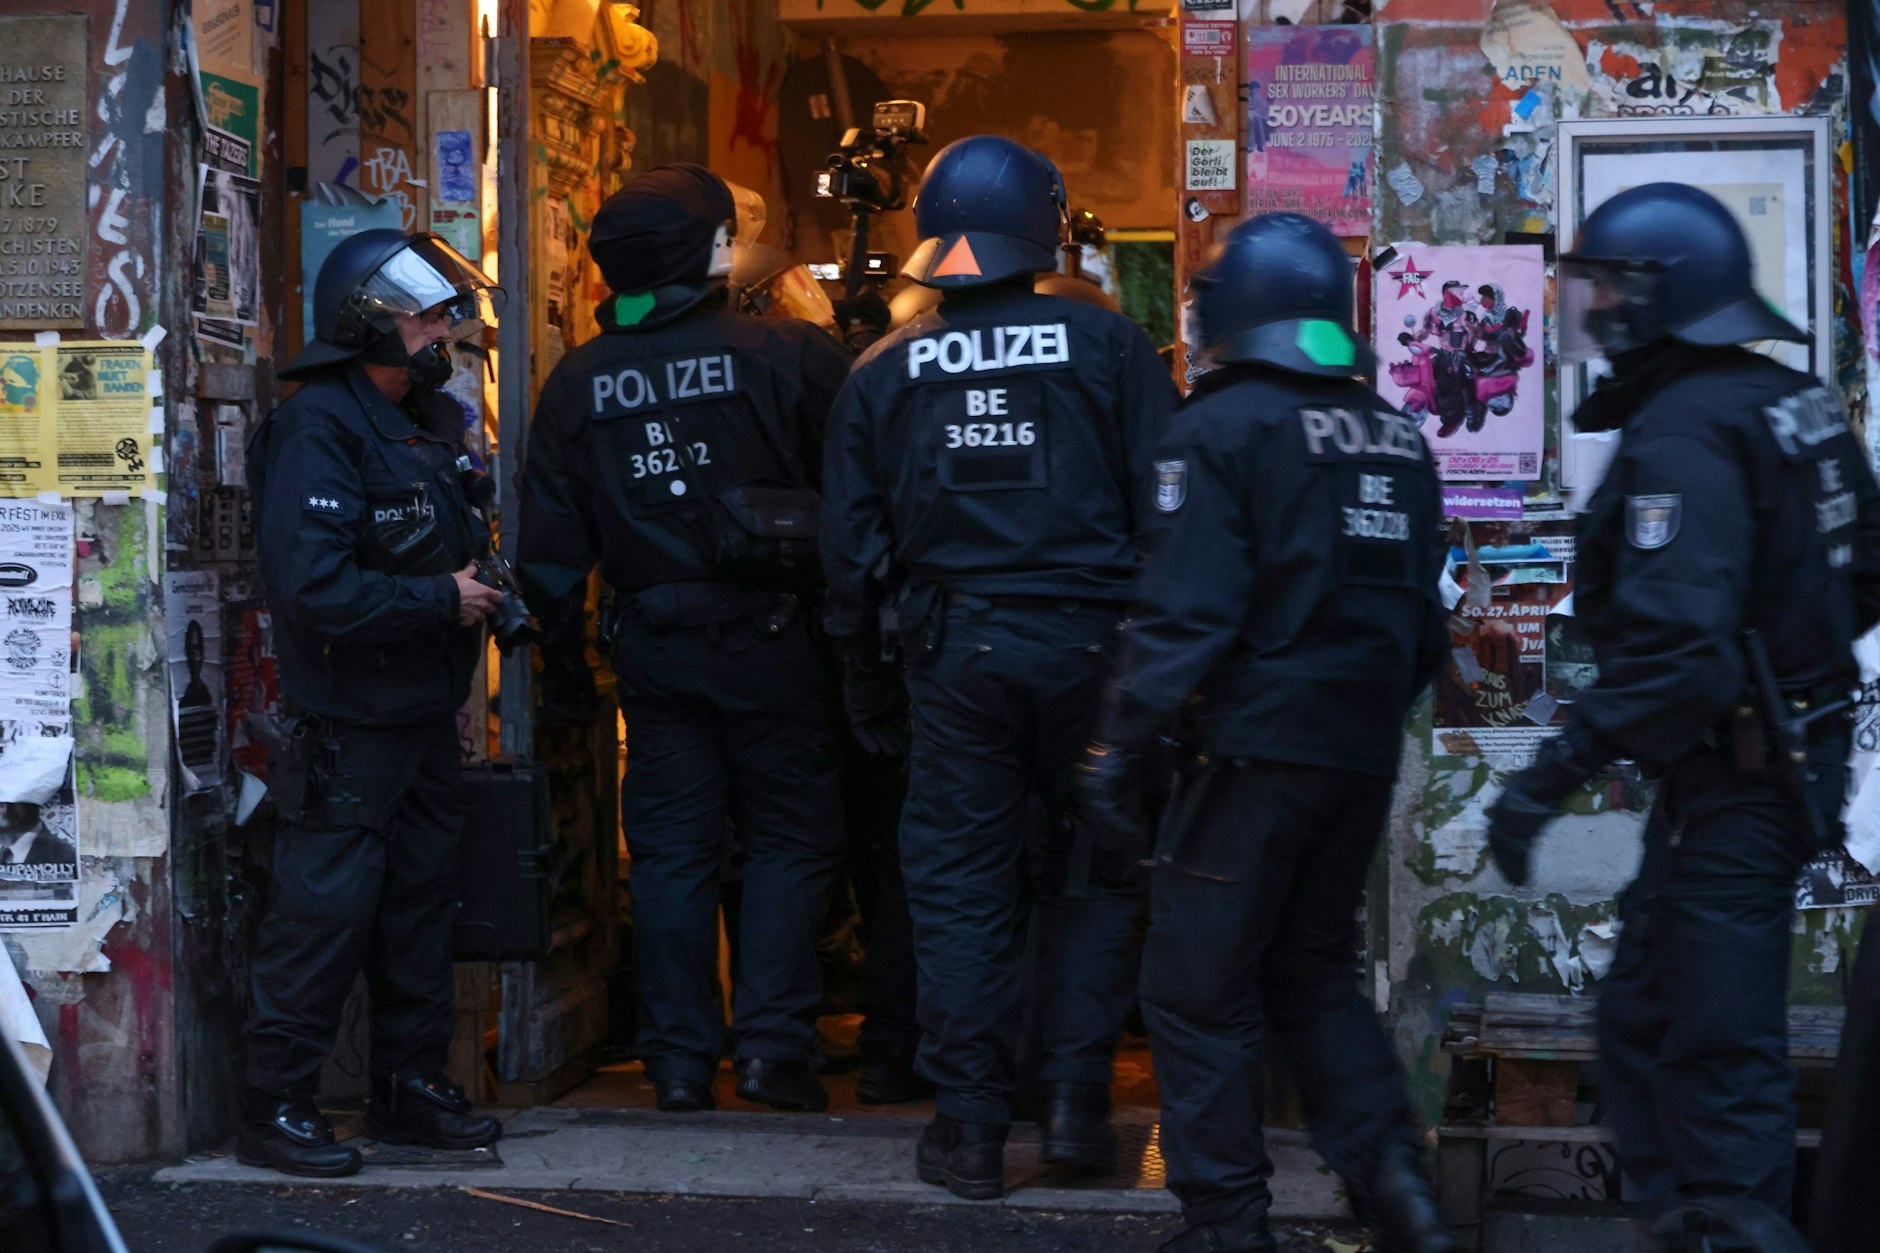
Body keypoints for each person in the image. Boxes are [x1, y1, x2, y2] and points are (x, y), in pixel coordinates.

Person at [1484, 183, 1880, 1252]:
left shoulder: (1686, 428)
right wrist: (1794, 669)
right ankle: (1690, 1226)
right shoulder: (1790, 401)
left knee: (1714, 1048)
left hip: (1742, 775)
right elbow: (1864, 572)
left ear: (1665, 296)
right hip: (1763, 760)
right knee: (1643, 1018)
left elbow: (1678, 647)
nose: (1597, 312)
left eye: (1610, 290)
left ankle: (1735, 1230)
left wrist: (1544, 779)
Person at [1076, 212, 1455, 1253]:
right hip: (1356, 751)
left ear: (1236, 310)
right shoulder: (1394, 435)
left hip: (1249, 750)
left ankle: (1224, 1222)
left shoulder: (1220, 429)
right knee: (1310, 973)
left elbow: (1186, 610)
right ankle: (1398, 1187)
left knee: (1193, 989)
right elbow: (1423, 624)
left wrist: (1117, 744)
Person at [822, 135, 1175, 1199]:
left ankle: (970, 1129)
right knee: (1094, 873)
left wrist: (866, 683)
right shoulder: (1111, 345)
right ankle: (1073, 1107)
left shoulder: (884, 368)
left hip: (956, 659)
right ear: (1044, 227)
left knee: (961, 886)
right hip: (1096, 654)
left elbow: (850, 551)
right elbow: (1171, 512)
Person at [517, 164, 850, 1116]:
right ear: (709, 253)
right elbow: (862, 505)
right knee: (789, 841)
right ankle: (774, 1050)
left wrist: (562, 663)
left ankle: (676, 1061)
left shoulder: (578, 380)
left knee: (671, 853)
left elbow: (550, 547)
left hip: (657, 652)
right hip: (779, 644)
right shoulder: (791, 355)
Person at [241, 229, 508, 1177]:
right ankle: (275, 1104)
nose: (441, 333)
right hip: (350, 725)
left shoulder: (426, 422)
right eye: (424, 318)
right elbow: (314, 588)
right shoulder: (318, 428)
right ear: (369, 324)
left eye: (442, 316)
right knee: (324, 914)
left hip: (422, 716)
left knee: (420, 908)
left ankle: (409, 1087)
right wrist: (441, 598)